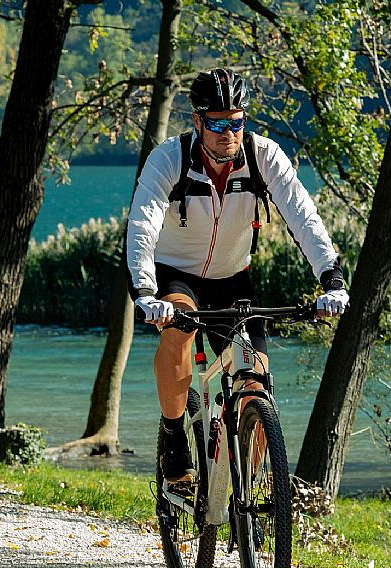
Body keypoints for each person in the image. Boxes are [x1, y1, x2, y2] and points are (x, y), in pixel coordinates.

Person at [125, 68, 349, 486]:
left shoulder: (265, 157)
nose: (228, 133)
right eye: (217, 123)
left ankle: (251, 492)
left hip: (233, 278)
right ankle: (175, 438)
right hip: (176, 276)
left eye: (237, 121)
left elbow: (304, 217)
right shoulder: (169, 159)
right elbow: (142, 225)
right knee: (178, 330)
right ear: (197, 121)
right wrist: (144, 290)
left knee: (256, 383)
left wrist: (331, 277)